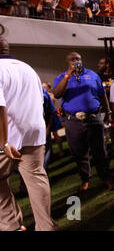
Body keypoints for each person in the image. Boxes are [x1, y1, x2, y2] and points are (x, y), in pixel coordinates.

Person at [0, 37, 57, 231]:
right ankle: (45, 227)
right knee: (36, 179)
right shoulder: (27, 67)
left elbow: (0, 108)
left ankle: (11, 225)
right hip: (34, 132)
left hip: (8, 139)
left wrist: (4, 142)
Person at [53, 52, 114, 192]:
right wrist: (68, 75)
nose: (76, 61)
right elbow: (57, 94)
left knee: (100, 151)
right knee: (79, 153)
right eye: (72, 59)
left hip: (93, 119)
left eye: (78, 59)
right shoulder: (61, 77)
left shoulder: (92, 75)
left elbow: (102, 95)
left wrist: (108, 112)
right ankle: (85, 179)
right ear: (67, 62)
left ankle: (106, 178)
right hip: (73, 121)